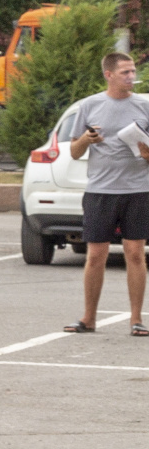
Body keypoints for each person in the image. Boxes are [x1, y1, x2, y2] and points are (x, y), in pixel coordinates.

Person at [56, 50, 149, 336]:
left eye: (133, 71)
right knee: (96, 255)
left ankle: (136, 319)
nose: (131, 77)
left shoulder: (144, 106)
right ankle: (88, 318)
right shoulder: (89, 105)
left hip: (138, 190)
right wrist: (86, 138)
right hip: (100, 191)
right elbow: (73, 150)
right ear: (109, 74)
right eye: (125, 72)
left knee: (135, 253)